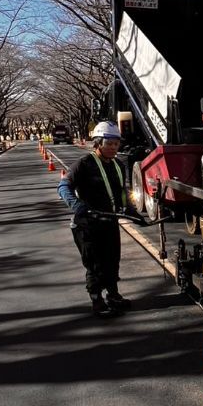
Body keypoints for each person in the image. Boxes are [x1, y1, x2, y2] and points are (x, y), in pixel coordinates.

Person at [58, 120, 138, 318]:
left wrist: (131, 209)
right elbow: (63, 187)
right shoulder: (84, 164)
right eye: (108, 143)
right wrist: (78, 206)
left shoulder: (119, 165)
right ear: (98, 143)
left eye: (115, 143)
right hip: (87, 225)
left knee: (112, 260)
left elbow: (122, 192)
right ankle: (97, 300)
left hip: (109, 222)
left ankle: (113, 295)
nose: (112, 147)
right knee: (95, 264)